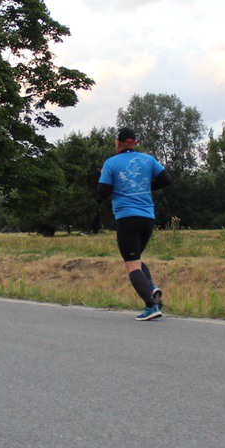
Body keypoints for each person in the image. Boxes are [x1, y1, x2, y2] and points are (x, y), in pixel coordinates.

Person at [97, 127, 171, 321]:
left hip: (127, 218)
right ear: (134, 142)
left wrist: (110, 181)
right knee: (136, 259)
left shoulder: (111, 163)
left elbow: (102, 192)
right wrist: (145, 186)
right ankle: (151, 287)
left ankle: (151, 306)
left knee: (132, 266)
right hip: (148, 218)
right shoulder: (149, 160)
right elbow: (166, 180)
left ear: (118, 143)